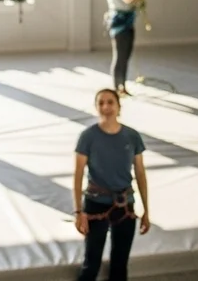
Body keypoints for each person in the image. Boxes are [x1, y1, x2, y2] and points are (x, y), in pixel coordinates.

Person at [73, 88, 151, 281]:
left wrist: (146, 210)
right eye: (101, 103)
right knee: (92, 261)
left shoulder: (132, 136)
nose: (106, 107)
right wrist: (78, 211)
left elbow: (140, 173)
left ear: (118, 106)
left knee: (120, 263)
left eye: (110, 102)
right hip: (96, 203)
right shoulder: (88, 137)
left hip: (125, 204)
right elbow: (78, 175)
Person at [103, 0, 150, 96]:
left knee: (125, 56)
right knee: (120, 56)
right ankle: (118, 88)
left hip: (127, 21)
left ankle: (121, 87)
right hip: (119, 23)